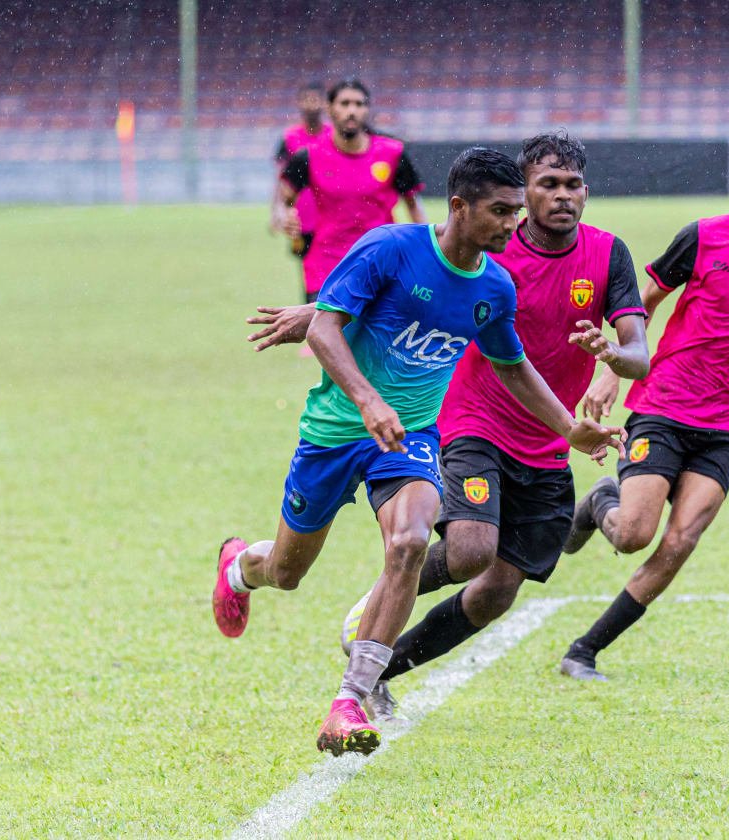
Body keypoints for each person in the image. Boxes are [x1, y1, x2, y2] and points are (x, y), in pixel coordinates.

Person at [212, 148, 625, 757]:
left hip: (411, 439)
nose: (513, 223)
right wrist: (368, 402)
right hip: (333, 433)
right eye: (500, 211)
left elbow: (512, 365)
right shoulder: (390, 248)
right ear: (459, 207)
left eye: (516, 211)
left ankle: (351, 699)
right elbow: (324, 328)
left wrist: (569, 428)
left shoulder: (494, 286)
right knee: (287, 572)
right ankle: (239, 568)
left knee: (408, 542)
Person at [558, 127, 729, 682]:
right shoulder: (703, 237)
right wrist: (611, 372)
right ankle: (600, 501)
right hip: (665, 404)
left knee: (680, 541)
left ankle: (584, 651)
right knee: (633, 535)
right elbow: (642, 304)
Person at [279, 78, 426, 307]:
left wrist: (424, 249)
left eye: (359, 104)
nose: (352, 111)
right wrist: (288, 215)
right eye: (345, 103)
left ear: (367, 110)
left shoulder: (392, 153)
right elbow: (286, 195)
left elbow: (413, 204)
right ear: (330, 108)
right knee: (323, 328)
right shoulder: (309, 155)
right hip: (327, 265)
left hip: (381, 263)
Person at [269, 81, 330, 282]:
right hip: (302, 217)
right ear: (299, 103)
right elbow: (281, 179)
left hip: (330, 214)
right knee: (308, 269)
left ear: (325, 103)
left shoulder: (334, 136)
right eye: (307, 100)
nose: (311, 104)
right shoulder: (290, 137)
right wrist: (277, 211)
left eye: (315, 100)